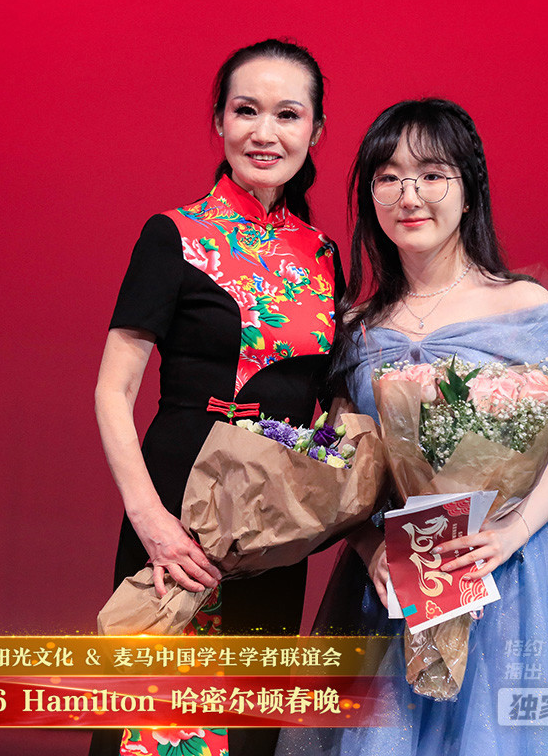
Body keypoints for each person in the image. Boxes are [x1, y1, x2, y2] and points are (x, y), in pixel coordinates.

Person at [279, 98, 548, 755]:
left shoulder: (523, 306)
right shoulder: (355, 328)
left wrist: (508, 535)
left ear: (470, 192)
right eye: (387, 178)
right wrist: (371, 551)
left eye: (432, 175)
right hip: (397, 586)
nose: (408, 196)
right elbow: (346, 474)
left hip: (508, 576)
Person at [91, 39, 342, 756]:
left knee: (246, 722)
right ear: (219, 121)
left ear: (315, 131)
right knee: (154, 721)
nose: (265, 132)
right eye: (246, 110)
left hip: (272, 520)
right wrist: (150, 521)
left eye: (287, 115)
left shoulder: (324, 257)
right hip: (177, 500)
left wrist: (324, 501)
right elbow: (113, 390)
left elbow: (324, 411)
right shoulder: (174, 234)